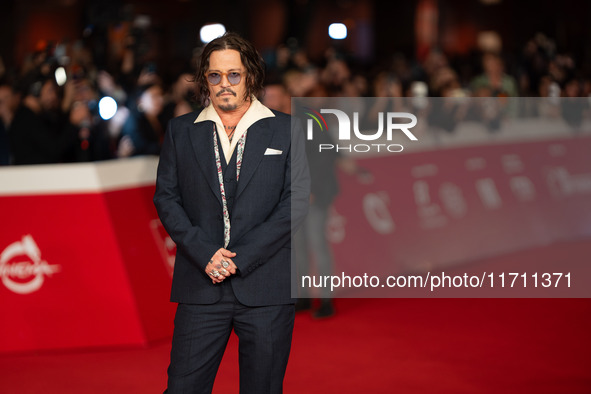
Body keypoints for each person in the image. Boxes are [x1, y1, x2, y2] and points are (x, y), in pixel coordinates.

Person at [153, 32, 310, 393]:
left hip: (267, 285)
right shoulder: (181, 131)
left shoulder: (288, 129)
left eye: (234, 75)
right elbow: (166, 198)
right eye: (215, 75)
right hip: (200, 282)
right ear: (205, 79)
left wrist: (240, 259)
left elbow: (295, 202)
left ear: (251, 76)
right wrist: (204, 253)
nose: (224, 84)